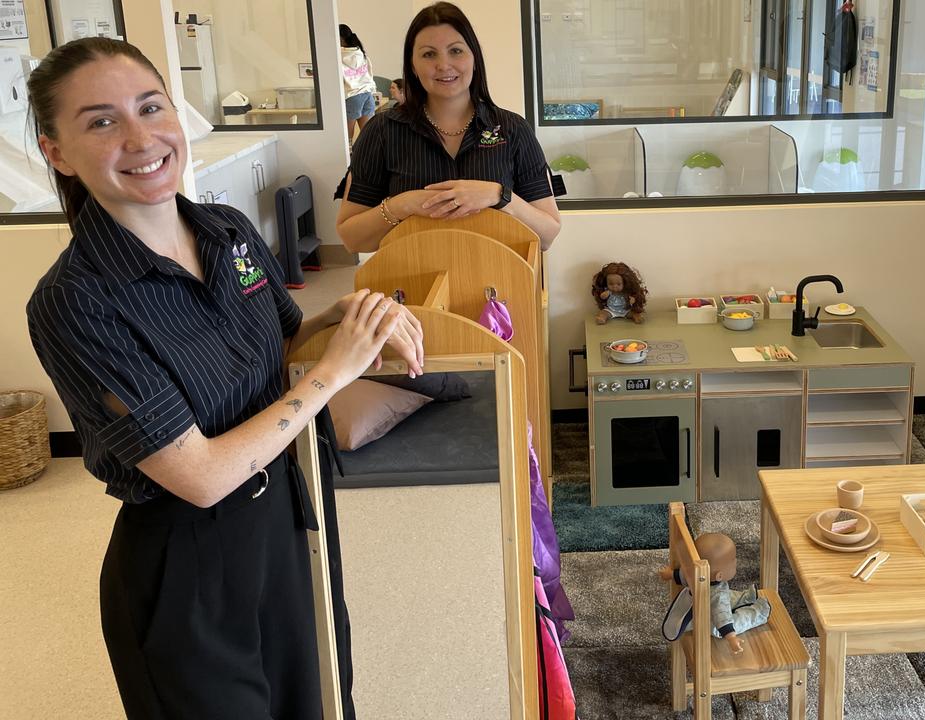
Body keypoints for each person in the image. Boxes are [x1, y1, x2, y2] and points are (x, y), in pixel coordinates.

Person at [24, 37, 424, 718]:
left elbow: (281, 342)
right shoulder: (76, 299)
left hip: (281, 522)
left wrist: (346, 318)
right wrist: (334, 372)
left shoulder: (228, 233)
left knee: (318, 700)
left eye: (151, 107)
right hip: (186, 565)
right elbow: (201, 476)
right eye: (101, 121)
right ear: (56, 151)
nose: (140, 136)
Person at [337, 2, 561, 251]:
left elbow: (548, 234)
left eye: (456, 51)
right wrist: (402, 205)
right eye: (429, 54)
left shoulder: (513, 129)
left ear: (474, 58)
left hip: (500, 283)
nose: (444, 65)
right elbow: (351, 239)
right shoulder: (381, 131)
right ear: (412, 65)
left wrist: (499, 195)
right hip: (410, 283)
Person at [340, 24, 378, 142]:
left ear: (340, 39)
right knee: (369, 138)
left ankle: (350, 159)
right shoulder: (360, 52)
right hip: (367, 94)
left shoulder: (338, 54)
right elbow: (370, 71)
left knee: (347, 140)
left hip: (353, 96)